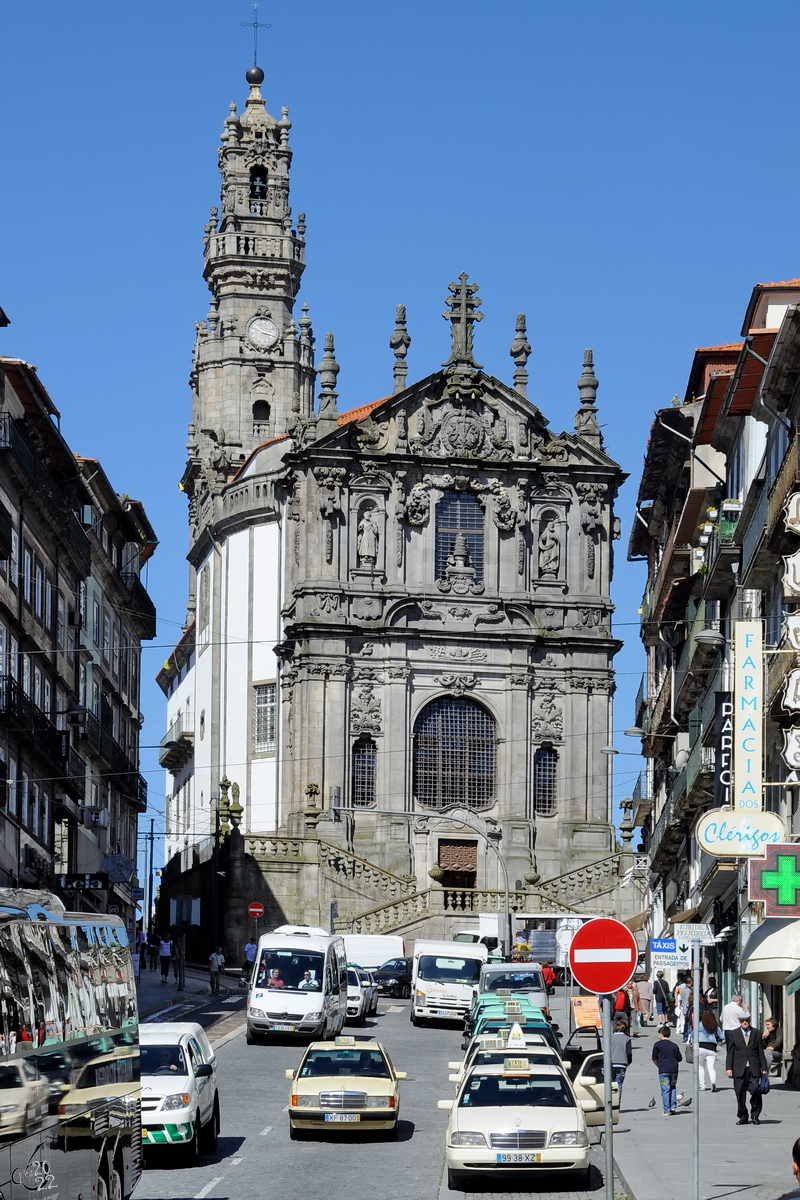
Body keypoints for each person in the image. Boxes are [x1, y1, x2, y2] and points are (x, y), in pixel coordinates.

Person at [726, 1012, 768, 1125]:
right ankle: (743, 1116)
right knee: (740, 1093)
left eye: (747, 1021)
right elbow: (730, 1052)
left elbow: (760, 1051)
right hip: (739, 1068)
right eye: (742, 1021)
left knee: (755, 1090)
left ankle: (755, 1115)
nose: (745, 1022)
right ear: (739, 1022)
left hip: (753, 1067)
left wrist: (764, 1067)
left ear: (749, 1021)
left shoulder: (756, 1033)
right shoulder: (733, 1034)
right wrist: (729, 1068)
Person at [652, 1025, 682, 1115]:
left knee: (665, 1089)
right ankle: (673, 1107)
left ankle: (666, 1109)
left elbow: (654, 1058)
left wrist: (659, 1066)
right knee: (673, 1087)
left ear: (661, 1034)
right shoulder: (674, 1045)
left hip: (663, 1070)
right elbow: (679, 1058)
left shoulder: (657, 1045)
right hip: (674, 1070)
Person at [698, 1007, 724, 1091]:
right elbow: (722, 1037)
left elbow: (693, 1035)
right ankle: (713, 1083)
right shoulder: (715, 1025)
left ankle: (702, 1085)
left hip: (701, 1046)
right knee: (711, 1067)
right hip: (712, 1048)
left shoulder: (699, 1024)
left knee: (701, 1067)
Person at [611, 1019, 633, 1101]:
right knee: (619, 1084)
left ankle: (610, 1101)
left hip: (611, 1063)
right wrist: (628, 1062)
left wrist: (603, 1066)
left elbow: (605, 1052)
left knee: (610, 1084)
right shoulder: (627, 1039)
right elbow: (629, 1053)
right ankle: (617, 1102)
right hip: (622, 1064)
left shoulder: (610, 1037)